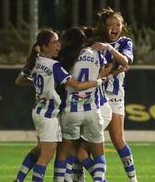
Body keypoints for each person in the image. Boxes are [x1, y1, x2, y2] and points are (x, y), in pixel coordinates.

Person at [13, 29, 107, 182]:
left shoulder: (35, 60)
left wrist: (39, 86)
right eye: (54, 42)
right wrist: (98, 81)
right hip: (49, 115)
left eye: (58, 41)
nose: (58, 45)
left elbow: (19, 80)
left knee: (39, 149)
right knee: (46, 156)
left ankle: (19, 179)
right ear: (44, 46)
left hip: (38, 111)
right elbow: (75, 85)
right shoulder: (54, 65)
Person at [54, 27, 113, 182]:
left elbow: (71, 84)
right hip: (94, 110)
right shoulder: (95, 53)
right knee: (98, 154)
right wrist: (100, 78)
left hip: (72, 111)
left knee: (65, 152)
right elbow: (109, 66)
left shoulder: (63, 58)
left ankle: (63, 179)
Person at [92, 8, 137, 182]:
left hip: (115, 97)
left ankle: (133, 179)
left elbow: (125, 62)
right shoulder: (96, 43)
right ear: (104, 27)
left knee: (118, 141)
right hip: (96, 94)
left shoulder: (125, 42)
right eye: (110, 24)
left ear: (122, 26)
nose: (114, 27)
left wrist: (109, 49)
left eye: (117, 24)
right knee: (92, 141)